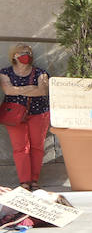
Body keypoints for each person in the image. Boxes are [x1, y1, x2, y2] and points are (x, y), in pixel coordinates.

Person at [2, 44, 50, 190]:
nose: (26, 55)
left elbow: (42, 91)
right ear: (14, 56)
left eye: (28, 52)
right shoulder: (5, 72)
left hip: (39, 113)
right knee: (20, 148)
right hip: (15, 115)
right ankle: (25, 181)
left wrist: (18, 90)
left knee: (37, 147)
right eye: (22, 52)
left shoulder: (41, 72)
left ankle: (34, 180)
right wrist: (30, 89)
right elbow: (8, 90)